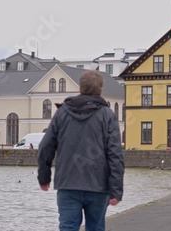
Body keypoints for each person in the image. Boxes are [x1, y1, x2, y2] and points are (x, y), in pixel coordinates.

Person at [37, 70, 124, 231]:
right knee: (96, 227)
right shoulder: (107, 115)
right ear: (101, 89)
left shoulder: (62, 113)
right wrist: (116, 189)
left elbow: (45, 146)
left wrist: (44, 177)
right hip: (98, 185)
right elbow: (115, 154)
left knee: (68, 227)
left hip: (68, 183)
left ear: (80, 88)